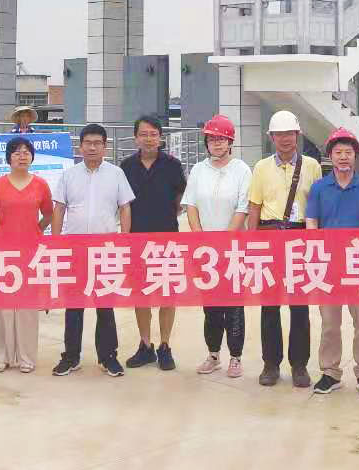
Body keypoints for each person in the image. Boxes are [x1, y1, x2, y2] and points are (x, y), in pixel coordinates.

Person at [246, 109, 322, 389]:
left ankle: (299, 365)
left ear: (297, 135)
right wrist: (251, 243)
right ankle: (270, 364)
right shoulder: (261, 167)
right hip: (269, 237)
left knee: (300, 306)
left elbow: (317, 205)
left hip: (300, 238)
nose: (285, 139)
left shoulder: (312, 166)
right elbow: (254, 207)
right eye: (279, 135)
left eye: (290, 133)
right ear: (271, 137)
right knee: (269, 306)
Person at [307, 128, 359, 398]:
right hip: (328, 267)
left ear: (355, 156)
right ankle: (330, 372)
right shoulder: (319, 188)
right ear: (330, 156)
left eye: (348, 153)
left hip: (358, 266)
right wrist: (319, 254)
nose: (343, 157)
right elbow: (312, 224)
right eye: (338, 152)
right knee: (330, 323)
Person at [52, 123, 133, 377]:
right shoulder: (69, 175)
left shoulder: (116, 174)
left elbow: (125, 208)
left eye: (97, 143)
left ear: (105, 147)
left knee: (105, 305)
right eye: (87, 143)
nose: (92, 147)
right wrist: (55, 242)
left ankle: (108, 357)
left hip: (106, 249)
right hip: (74, 248)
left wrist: (124, 241)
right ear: (80, 146)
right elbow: (59, 209)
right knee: (74, 305)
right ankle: (71, 357)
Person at [182, 115, 250, 377]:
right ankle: (213, 354)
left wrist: (224, 241)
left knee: (233, 307)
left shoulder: (242, 170)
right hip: (205, 251)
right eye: (212, 139)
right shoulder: (198, 170)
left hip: (232, 250)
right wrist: (200, 239)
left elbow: (242, 208)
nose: (217, 143)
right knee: (210, 307)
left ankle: (235, 357)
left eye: (222, 139)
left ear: (230, 142)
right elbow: (191, 205)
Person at [121, 114, 187, 371]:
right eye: (143, 134)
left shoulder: (172, 165)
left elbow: (181, 197)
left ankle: (165, 345)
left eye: (153, 134)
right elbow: (122, 203)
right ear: (135, 138)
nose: (148, 139)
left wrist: (169, 213)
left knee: (167, 294)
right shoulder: (126, 166)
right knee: (142, 295)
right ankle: (145, 345)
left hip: (167, 238)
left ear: (160, 138)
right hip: (137, 239)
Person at [0, 136, 53, 373]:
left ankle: (26, 357)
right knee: (4, 305)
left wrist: (36, 231)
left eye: (26, 152)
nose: (22, 156)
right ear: (8, 158)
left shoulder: (41, 185)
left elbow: (49, 215)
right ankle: (2, 355)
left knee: (27, 306)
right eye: (16, 152)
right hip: (3, 251)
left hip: (30, 252)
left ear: (32, 157)